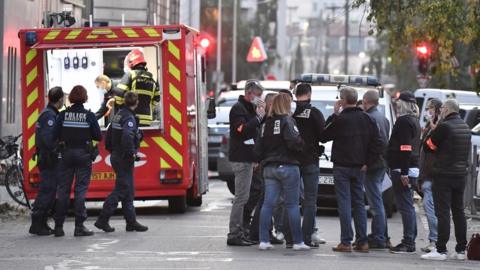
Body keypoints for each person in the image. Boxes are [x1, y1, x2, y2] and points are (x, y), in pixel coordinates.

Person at [319, 86, 382, 253]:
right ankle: (362, 242)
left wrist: (334, 113)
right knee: (359, 204)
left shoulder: (340, 120)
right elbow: (378, 143)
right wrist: (368, 162)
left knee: (345, 204)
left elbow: (323, 136)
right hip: (360, 166)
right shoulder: (368, 119)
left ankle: (346, 242)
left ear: (342, 100)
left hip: (342, 166)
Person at [254, 93, 309, 251]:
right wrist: (301, 145)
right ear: (285, 105)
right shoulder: (288, 120)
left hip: (269, 167)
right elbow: (294, 141)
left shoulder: (265, 124)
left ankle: (264, 240)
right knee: (292, 205)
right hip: (288, 166)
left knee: (268, 204)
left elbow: (258, 149)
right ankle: (297, 242)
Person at [421, 99, 471, 261]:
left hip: (443, 175)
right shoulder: (465, 127)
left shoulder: (445, 126)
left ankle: (441, 249)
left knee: (442, 212)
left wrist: (434, 134)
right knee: (458, 212)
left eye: (442, 108)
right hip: (460, 175)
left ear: (448, 109)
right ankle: (461, 250)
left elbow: (428, 146)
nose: (440, 110)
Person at [94, 92, 148, 233]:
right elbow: (127, 135)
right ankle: (102, 219)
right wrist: (131, 152)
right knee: (121, 189)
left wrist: (112, 150)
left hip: (117, 155)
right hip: (124, 157)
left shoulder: (118, 115)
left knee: (128, 189)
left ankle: (131, 222)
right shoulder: (128, 117)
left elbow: (109, 133)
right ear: (136, 103)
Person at [52, 85, 102, 237]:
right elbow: (98, 136)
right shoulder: (89, 115)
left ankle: (59, 227)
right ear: (85, 98)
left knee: (63, 190)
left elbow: (55, 134)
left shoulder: (62, 114)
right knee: (80, 190)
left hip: (66, 155)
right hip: (83, 155)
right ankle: (79, 226)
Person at [227, 79, 265, 246]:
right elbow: (241, 130)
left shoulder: (249, 108)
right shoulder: (238, 108)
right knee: (241, 198)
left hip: (249, 157)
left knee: (247, 195)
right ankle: (234, 233)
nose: (259, 99)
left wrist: (260, 117)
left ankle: (241, 231)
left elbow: (254, 130)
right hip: (241, 158)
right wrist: (258, 118)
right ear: (249, 93)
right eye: (257, 96)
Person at [292, 83, 325, 248]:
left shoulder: (290, 112)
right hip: (310, 160)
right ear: (309, 94)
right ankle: (307, 236)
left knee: (291, 200)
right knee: (310, 201)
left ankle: (291, 237)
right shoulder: (314, 113)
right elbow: (324, 135)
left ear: (295, 94)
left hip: (291, 161)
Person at [387, 91, 421, 254]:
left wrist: (404, 172)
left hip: (403, 168)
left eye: (398, 102)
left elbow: (406, 147)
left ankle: (408, 242)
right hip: (411, 167)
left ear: (403, 104)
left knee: (405, 207)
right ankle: (410, 239)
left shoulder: (403, 121)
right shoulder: (414, 121)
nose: (396, 104)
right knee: (409, 206)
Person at [29, 87, 65, 236]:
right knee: (47, 192)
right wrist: (60, 146)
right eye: (63, 98)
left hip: (48, 158)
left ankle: (42, 223)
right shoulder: (49, 116)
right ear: (60, 99)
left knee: (49, 192)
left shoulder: (50, 114)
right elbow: (48, 140)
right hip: (49, 159)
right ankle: (37, 224)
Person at [362, 90, 390, 249]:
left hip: (373, 164)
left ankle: (378, 237)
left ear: (366, 101)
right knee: (377, 201)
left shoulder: (370, 118)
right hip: (381, 164)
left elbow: (375, 144)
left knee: (375, 203)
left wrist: (367, 161)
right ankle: (380, 235)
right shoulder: (383, 118)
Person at [418, 98, 442, 253]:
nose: (428, 110)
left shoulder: (440, 126)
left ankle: (435, 241)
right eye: (427, 108)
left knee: (430, 207)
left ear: (437, 109)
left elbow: (434, 147)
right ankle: (435, 240)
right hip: (427, 172)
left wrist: (433, 129)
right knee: (430, 207)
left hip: (432, 174)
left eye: (430, 108)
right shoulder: (430, 125)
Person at [114, 49, 160, 126]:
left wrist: (123, 107)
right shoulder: (153, 77)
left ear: (131, 63)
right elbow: (157, 98)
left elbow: (119, 94)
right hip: (147, 119)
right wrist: (148, 108)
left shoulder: (130, 75)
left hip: (131, 118)